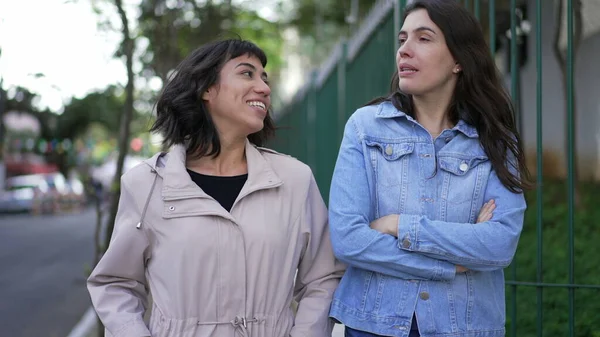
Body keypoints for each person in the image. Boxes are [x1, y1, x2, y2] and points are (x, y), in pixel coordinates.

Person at [87, 38, 345, 337]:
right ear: (206, 88)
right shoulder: (145, 184)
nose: (264, 87)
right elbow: (116, 284)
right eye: (247, 73)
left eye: (265, 78)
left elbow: (323, 278)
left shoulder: (295, 179)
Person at [327, 1, 531, 336]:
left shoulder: (494, 139)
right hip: (374, 324)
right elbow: (349, 239)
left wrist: (396, 225)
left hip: (464, 325)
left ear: (459, 61)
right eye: (402, 39)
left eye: (424, 39)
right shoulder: (365, 128)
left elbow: (498, 244)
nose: (404, 50)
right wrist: (454, 263)